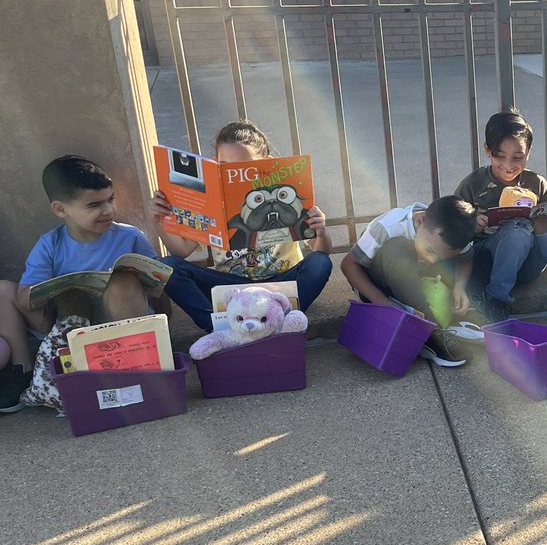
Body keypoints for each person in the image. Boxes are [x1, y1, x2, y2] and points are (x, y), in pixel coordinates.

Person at [0, 156, 160, 411]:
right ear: (61, 209)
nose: (108, 210)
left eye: (111, 199)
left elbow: (157, 285)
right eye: (95, 205)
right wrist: (54, 291)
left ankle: (136, 367)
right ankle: (25, 372)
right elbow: (24, 298)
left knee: (123, 283)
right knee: (3, 291)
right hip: (63, 330)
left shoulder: (130, 237)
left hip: (114, 327)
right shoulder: (50, 244)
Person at [151, 121, 332, 331]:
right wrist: (158, 220)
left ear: (267, 163)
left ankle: (280, 319)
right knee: (169, 267)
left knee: (320, 263)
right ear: (214, 163)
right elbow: (180, 251)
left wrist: (322, 231)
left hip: (280, 285)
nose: (235, 173)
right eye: (225, 165)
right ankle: (216, 326)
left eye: (244, 165)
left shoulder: (287, 192)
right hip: (231, 290)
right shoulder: (209, 200)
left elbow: (322, 251)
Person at [454, 110, 547, 330]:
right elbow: (453, 230)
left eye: (517, 157)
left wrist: (546, 217)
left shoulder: (536, 183)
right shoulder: (473, 184)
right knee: (517, 229)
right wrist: (470, 223)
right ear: (487, 150)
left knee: (539, 224)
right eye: (500, 155)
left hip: (529, 264)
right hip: (489, 261)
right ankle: (496, 299)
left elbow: (545, 223)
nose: (508, 164)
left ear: (528, 153)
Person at [339, 195, 481, 367]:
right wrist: (381, 302)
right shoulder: (388, 226)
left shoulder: (453, 232)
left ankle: (454, 319)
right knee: (397, 249)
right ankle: (431, 333)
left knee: (477, 258)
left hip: (422, 284)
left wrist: (459, 287)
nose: (432, 260)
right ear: (420, 221)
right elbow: (348, 264)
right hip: (381, 289)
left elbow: (466, 258)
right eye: (430, 250)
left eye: (440, 256)